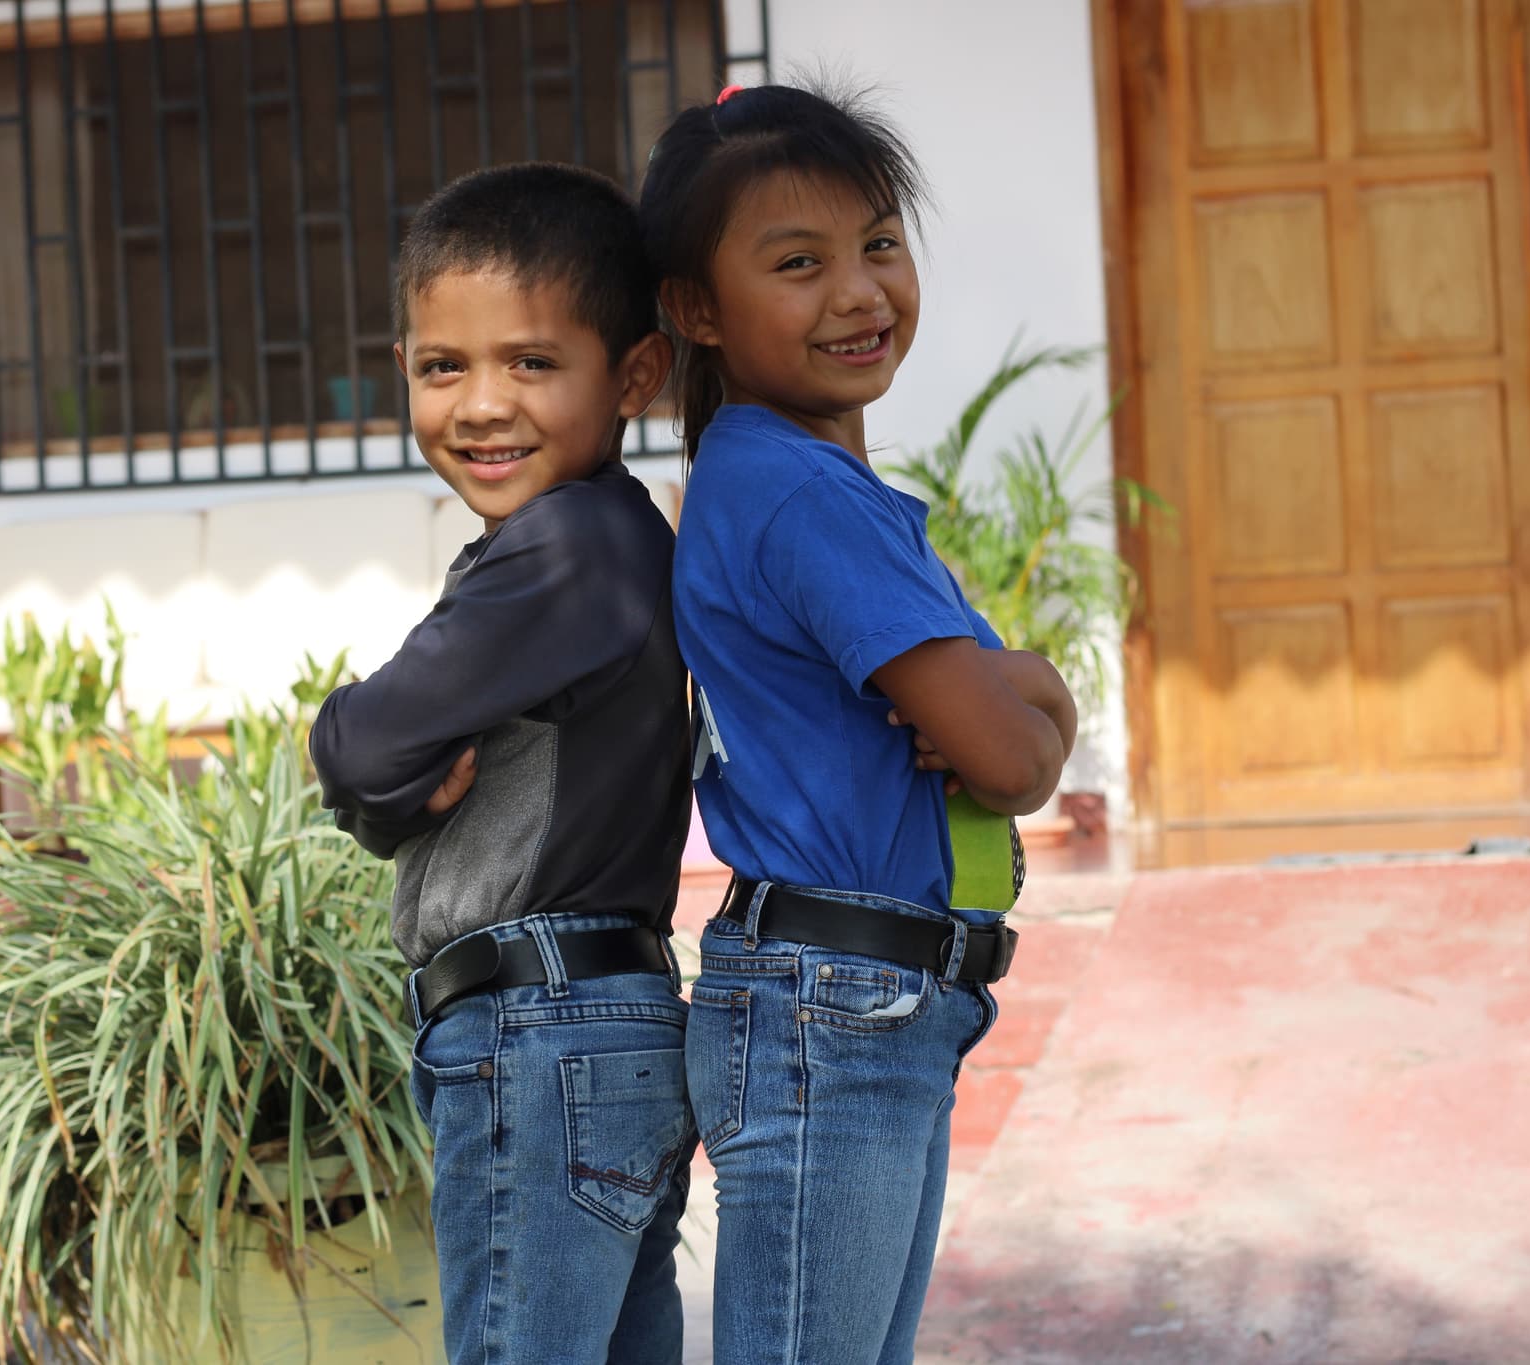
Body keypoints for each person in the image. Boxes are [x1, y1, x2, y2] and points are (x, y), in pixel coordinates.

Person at [639, 84, 1079, 1365]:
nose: (857, 292)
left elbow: (1000, 718)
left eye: (879, 243)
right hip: (837, 1010)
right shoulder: (797, 497)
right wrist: (1033, 696)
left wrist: (1024, 686)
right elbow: (1007, 757)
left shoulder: (786, 480)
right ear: (696, 309)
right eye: (798, 264)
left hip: (865, 1002)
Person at [309, 161, 696, 1365]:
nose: (481, 405)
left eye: (530, 363)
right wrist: (382, 795)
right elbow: (388, 789)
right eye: (442, 367)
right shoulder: (602, 537)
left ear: (633, 373)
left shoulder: (567, 547)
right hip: (602, 1030)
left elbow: (368, 746)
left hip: (538, 1039)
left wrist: (345, 746)